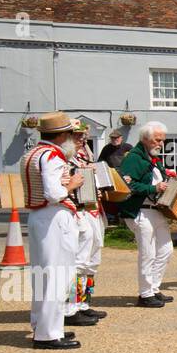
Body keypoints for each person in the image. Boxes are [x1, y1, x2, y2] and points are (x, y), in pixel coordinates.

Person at [21, 111, 85, 349]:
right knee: (58, 275)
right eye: (70, 134)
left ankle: (44, 325)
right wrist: (72, 185)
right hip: (54, 216)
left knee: (43, 274)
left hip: (40, 216)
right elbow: (53, 193)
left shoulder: (32, 153)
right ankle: (48, 334)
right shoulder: (52, 157)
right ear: (63, 136)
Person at [115, 122, 177, 307]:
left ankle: (154, 288)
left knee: (166, 250)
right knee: (147, 254)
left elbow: (162, 183)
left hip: (156, 211)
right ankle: (144, 294)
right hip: (140, 211)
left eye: (162, 140)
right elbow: (127, 185)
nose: (161, 144)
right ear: (145, 139)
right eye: (157, 140)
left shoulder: (153, 158)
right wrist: (153, 187)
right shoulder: (134, 158)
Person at [64, 119, 107, 325]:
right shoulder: (63, 159)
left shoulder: (83, 156)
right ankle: (70, 308)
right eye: (76, 135)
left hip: (93, 211)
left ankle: (83, 303)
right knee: (79, 262)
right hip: (77, 212)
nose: (81, 139)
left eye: (83, 135)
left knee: (92, 261)